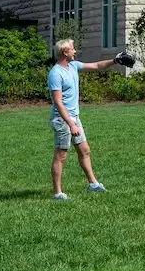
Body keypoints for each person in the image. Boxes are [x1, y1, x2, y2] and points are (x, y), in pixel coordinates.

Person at [48, 39, 117, 200]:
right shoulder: (55, 73)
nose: (75, 51)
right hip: (62, 119)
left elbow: (96, 66)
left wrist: (115, 61)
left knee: (84, 150)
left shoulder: (73, 66)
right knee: (61, 155)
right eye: (72, 49)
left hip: (74, 118)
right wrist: (71, 124)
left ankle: (93, 184)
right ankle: (58, 193)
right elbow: (58, 103)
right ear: (65, 52)